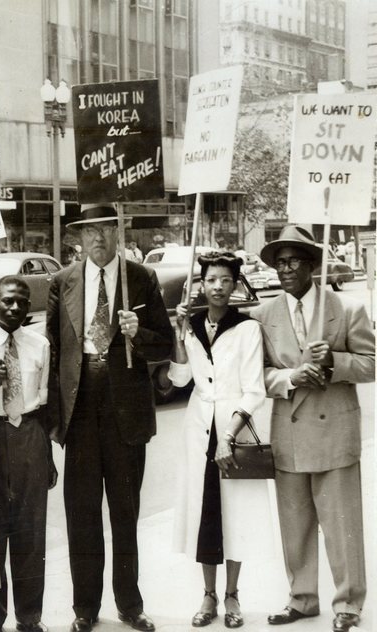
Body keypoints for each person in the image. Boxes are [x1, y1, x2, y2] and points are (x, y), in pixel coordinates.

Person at [46, 203, 173, 632]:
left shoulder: (142, 278)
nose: (97, 239)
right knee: (81, 516)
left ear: (117, 233)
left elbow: (165, 346)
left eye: (105, 229)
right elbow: (54, 353)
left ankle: (130, 605)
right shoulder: (62, 282)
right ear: (77, 239)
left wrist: (141, 332)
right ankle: (85, 609)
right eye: (88, 232)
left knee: (125, 514)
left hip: (126, 416)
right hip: (81, 414)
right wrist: (53, 420)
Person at [251, 226, 374, 632]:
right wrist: (291, 377)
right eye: (279, 263)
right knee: (295, 525)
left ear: (311, 266)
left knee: (342, 525)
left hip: (335, 432)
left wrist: (334, 362)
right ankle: (302, 599)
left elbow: (371, 365)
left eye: (293, 262)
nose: (284, 270)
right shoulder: (262, 315)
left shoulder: (347, 309)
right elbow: (254, 375)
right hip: (289, 429)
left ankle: (349, 604)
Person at [169, 252, 275, 629]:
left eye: (225, 280)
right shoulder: (192, 325)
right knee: (205, 514)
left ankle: (232, 595)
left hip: (232, 427)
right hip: (198, 428)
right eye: (211, 279)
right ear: (201, 284)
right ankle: (208, 595)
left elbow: (254, 391)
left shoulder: (246, 328)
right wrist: (179, 338)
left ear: (235, 286)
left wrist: (228, 437)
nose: (218, 286)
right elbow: (180, 380)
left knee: (237, 516)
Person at [0, 276, 56, 632]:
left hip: (29, 435)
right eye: (7, 301)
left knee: (31, 533)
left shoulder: (40, 344)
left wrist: (48, 455)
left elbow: (45, 399)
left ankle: (29, 617)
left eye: (21, 302)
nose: (14, 308)